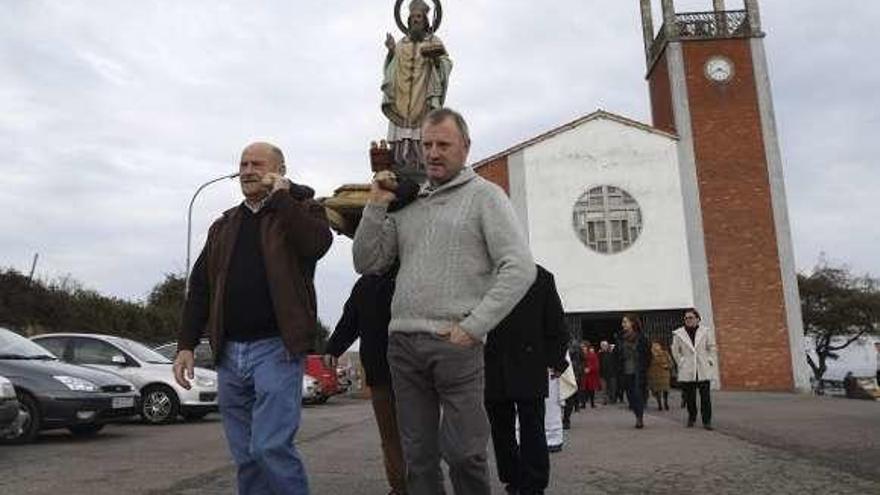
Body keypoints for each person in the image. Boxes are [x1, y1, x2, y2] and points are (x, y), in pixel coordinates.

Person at [353, 107, 536, 495]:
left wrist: (473, 327)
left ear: (465, 147)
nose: (433, 153)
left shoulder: (487, 197)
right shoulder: (409, 204)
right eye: (427, 145)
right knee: (417, 457)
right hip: (402, 344)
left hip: (456, 345)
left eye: (443, 145)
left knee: (465, 453)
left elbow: (519, 267)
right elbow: (367, 261)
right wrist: (375, 204)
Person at [175, 142, 333, 495]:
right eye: (243, 164)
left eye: (256, 164)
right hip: (229, 353)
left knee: (270, 447)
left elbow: (316, 245)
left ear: (279, 169)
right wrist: (186, 344)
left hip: (276, 348)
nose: (247, 170)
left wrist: (282, 198)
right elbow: (200, 287)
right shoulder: (224, 225)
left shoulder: (302, 211)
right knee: (246, 456)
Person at [484, 265, 569, 495]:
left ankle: (534, 483)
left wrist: (556, 358)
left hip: (529, 362)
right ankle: (513, 478)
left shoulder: (540, 277)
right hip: (494, 362)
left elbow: (555, 322)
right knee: (501, 427)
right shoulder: (483, 273)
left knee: (532, 425)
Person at [323, 267, 406, 495]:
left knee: (418, 433)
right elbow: (350, 320)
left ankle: (424, 484)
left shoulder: (412, 272)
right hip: (380, 373)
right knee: (390, 436)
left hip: (414, 372)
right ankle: (400, 488)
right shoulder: (365, 284)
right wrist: (333, 349)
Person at [382, 0, 453, 179]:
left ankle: (420, 162)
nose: (416, 20)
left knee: (422, 129)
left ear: (426, 20)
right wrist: (391, 51)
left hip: (423, 95)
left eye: (419, 17)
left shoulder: (433, 41)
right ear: (408, 20)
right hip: (402, 96)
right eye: (413, 17)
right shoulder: (401, 44)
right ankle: (399, 161)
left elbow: (445, 63)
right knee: (401, 129)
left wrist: (436, 59)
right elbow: (391, 67)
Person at [671, 308, 718, 430]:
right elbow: (675, 350)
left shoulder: (705, 331)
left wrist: (709, 360)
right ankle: (692, 417)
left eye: (691, 317)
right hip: (687, 369)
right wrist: (681, 362)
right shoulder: (678, 333)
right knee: (690, 397)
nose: (688, 320)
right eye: (686, 318)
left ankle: (707, 421)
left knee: (705, 397)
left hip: (702, 368)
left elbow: (711, 347)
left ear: (697, 319)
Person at [614, 314, 650, 429]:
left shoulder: (642, 337)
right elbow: (616, 354)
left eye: (625, 322)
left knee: (638, 394)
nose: (623, 324)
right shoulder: (620, 338)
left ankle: (639, 418)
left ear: (632, 323)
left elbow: (648, 355)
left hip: (638, 371)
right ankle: (637, 413)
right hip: (625, 371)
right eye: (623, 322)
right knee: (630, 396)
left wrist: (645, 367)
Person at [562, 341, 584, 429]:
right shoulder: (575, 347)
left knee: (570, 397)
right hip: (570, 373)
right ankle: (566, 419)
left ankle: (566, 419)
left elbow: (582, 360)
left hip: (571, 373)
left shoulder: (572, 347)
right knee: (570, 396)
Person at [647, 341, 673, 411]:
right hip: (659, 373)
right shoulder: (653, 354)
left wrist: (668, 366)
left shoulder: (662, 353)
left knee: (661, 390)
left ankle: (663, 403)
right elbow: (670, 362)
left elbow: (670, 362)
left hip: (659, 374)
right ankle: (662, 403)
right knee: (661, 390)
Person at [598, 341, 619, 405]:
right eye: (603, 346)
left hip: (612, 373)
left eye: (605, 345)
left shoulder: (612, 353)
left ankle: (612, 399)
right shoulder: (600, 354)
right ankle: (604, 400)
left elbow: (616, 362)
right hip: (603, 374)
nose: (604, 347)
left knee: (612, 388)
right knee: (604, 388)